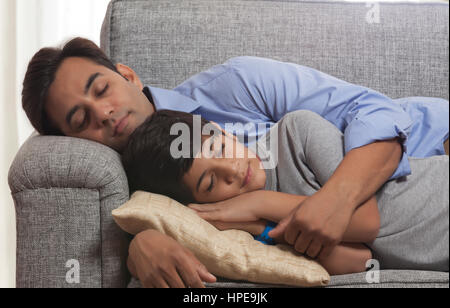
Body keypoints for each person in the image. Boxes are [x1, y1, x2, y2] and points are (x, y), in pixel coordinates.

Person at [21, 37, 449, 287]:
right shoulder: (148, 185)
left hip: (429, 138)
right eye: (81, 120)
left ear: (127, 75)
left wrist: (330, 201)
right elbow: (185, 221)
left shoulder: (236, 86)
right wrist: (139, 245)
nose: (104, 114)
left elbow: (376, 112)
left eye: (101, 89)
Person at [122, 109, 449, 275]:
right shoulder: (238, 230)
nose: (233, 170)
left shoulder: (295, 133)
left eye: (220, 147)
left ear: (222, 130)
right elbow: (363, 260)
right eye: (210, 183)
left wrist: (261, 202)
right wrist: (258, 228)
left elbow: (367, 221)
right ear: (195, 201)